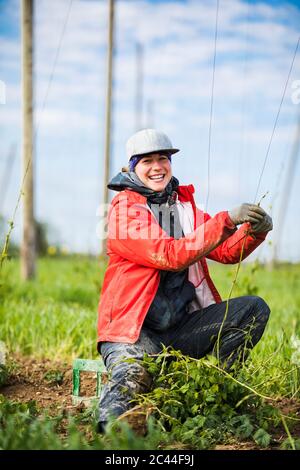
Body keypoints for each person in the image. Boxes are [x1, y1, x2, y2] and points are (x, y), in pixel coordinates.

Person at [96, 128, 272, 433]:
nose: (157, 167)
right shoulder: (124, 210)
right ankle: (117, 428)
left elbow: (228, 250)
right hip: (134, 334)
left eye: (163, 158)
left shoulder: (182, 209)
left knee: (253, 310)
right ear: (131, 168)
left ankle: (209, 394)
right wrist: (225, 220)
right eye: (147, 161)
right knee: (132, 377)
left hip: (178, 332)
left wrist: (255, 231)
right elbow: (168, 254)